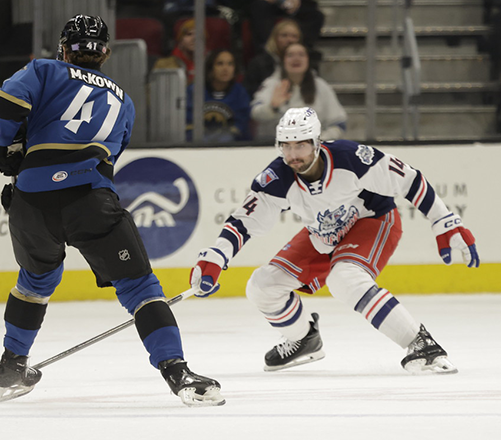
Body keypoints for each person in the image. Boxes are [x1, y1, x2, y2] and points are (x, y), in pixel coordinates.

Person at [0, 14, 223, 406]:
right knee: (140, 287)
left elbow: (6, 103)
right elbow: (108, 158)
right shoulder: (123, 101)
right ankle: (177, 372)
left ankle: (11, 363)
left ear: (64, 47)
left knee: (34, 281)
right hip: (88, 200)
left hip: (29, 202)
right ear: (106, 53)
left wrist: (4, 147)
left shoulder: (44, 69)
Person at [187, 107, 479, 373]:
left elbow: (409, 179)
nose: (293, 155)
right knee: (262, 286)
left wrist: (444, 221)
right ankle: (304, 338)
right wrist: (215, 255)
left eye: (300, 144)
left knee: (344, 278)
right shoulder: (276, 178)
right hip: (323, 234)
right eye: (286, 146)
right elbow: (243, 222)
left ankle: (420, 343)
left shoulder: (351, 157)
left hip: (373, 220)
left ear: (316, 143)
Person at [251, 43, 346, 140]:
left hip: (313, 149)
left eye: (301, 55)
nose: (296, 59)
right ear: (283, 61)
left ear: (308, 60)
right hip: (273, 147)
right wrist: (272, 107)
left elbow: (338, 124)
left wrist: (318, 141)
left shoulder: (321, 86)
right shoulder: (271, 85)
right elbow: (255, 114)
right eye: (290, 55)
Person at [187, 49, 252, 141]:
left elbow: (241, 127)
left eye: (230, 64)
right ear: (210, 68)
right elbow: (188, 124)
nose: (225, 69)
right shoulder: (195, 91)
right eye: (220, 64)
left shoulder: (240, 93)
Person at [249, 0, 325, 66]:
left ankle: (298, 52)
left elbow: (311, 5)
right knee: (260, 5)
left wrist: (297, 6)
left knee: (317, 15)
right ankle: (274, 50)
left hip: (298, 13)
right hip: (269, 11)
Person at [244, 19, 303, 94]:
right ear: (275, 39)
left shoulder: (304, 64)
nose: (290, 40)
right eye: (284, 35)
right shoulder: (258, 64)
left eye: (294, 36)